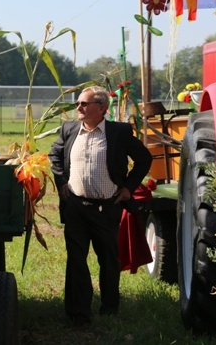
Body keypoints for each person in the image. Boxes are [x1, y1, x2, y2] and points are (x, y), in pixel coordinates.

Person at [47, 85, 152, 326]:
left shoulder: (119, 132)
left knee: (108, 259)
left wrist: (127, 188)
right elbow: (54, 156)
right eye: (78, 104)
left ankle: (110, 307)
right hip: (75, 207)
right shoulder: (69, 129)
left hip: (107, 207)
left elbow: (144, 159)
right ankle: (78, 313)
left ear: (102, 108)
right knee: (76, 260)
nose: (79, 108)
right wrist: (62, 181)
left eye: (85, 104)